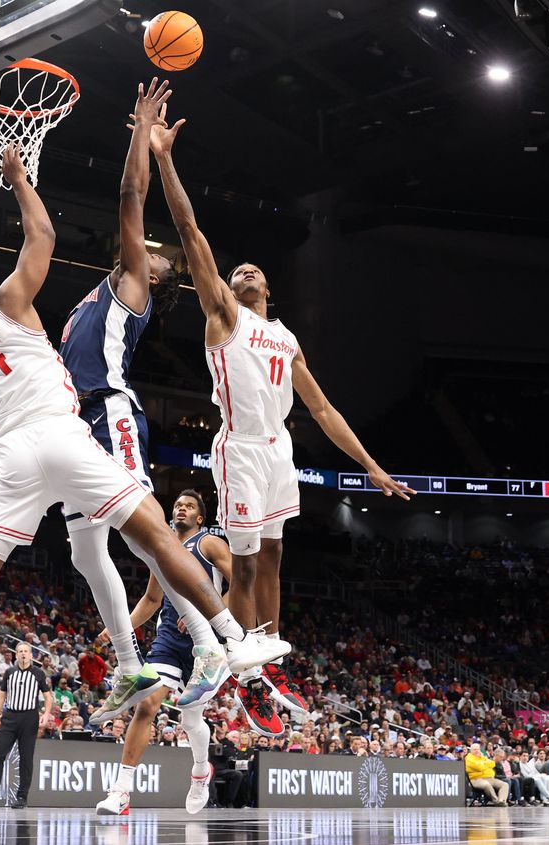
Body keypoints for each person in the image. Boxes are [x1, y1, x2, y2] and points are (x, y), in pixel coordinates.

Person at [0, 142, 287, 740]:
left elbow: (130, 207)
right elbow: (42, 233)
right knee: (146, 538)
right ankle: (222, 641)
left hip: (24, 448)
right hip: (67, 432)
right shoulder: (13, 302)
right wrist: (17, 177)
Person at [150, 103, 412, 732]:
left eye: (252, 269)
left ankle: (263, 656)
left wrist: (372, 467)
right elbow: (190, 232)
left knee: (271, 559)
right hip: (238, 447)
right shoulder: (225, 317)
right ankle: (232, 651)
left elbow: (322, 408)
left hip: (279, 451)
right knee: (240, 563)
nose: (243, 271)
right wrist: (164, 157)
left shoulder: (285, 336)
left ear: (268, 287)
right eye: (236, 270)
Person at [55, 79, 183, 719]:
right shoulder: (92, 296)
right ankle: (132, 669)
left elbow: (130, 197)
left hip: (111, 412)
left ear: (152, 275)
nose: (145, 249)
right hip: (77, 426)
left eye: (153, 254)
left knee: (142, 533)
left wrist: (141, 131)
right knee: (85, 549)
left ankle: (210, 639)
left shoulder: (135, 283)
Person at [96, 489, 231, 816]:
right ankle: (122, 790)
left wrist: (214, 615)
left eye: (188, 506)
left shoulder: (210, 544)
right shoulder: (162, 549)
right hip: (169, 637)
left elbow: (241, 583)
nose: (181, 509)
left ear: (200, 517)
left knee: (190, 718)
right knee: (147, 705)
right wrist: (119, 628)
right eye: (177, 505)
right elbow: (152, 601)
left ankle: (201, 770)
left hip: (207, 644)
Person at [0, 642, 53, 809]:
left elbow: (48, 697)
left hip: (29, 718)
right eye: (20, 651)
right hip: (10, 717)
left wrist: (45, 714)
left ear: (31, 655)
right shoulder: (9, 672)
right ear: (16, 655)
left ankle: (22, 797)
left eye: (26, 651)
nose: (23, 654)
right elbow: (1, 697)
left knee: (26, 758)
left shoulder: (38, 673)